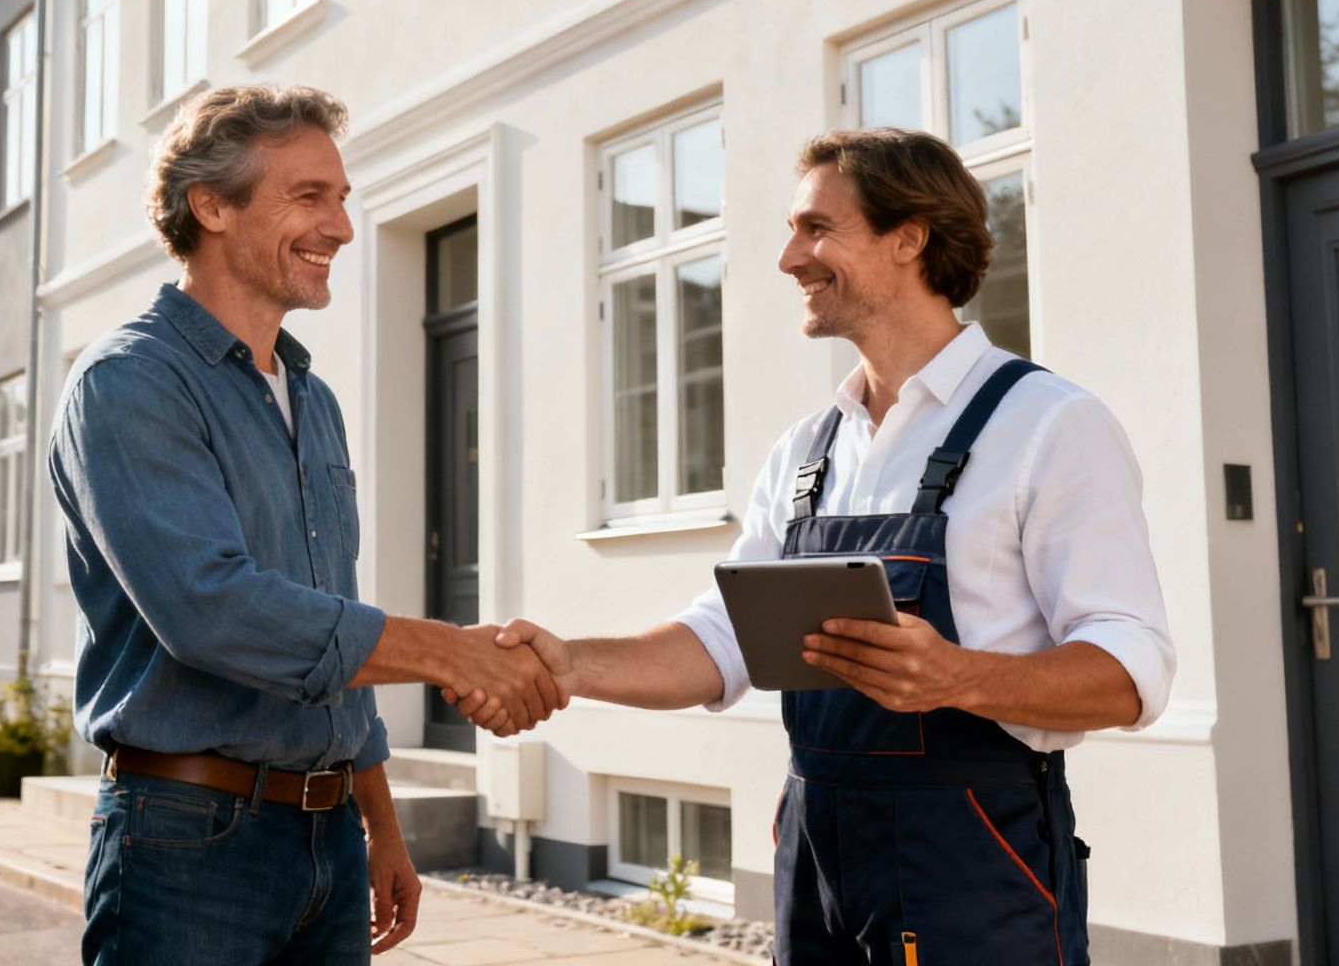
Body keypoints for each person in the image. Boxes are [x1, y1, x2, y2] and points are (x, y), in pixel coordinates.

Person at [471, 127, 1175, 964]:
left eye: (815, 228)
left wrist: (959, 677)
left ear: (908, 237)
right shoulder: (809, 449)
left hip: (973, 855)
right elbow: (725, 637)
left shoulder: (1050, 426)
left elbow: (1135, 669)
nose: (787, 258)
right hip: (815, 852)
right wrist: (571, 664)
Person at [48, 84, 563, 965]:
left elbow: (331, 612)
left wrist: (381, 825)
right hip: (187, 846)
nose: (342, 227)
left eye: (342, 199)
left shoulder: (311, 399)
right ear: (210, 205)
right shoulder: (128, 384)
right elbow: (216, 611)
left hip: (327, 843)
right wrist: (451, 652)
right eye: (308, 197)